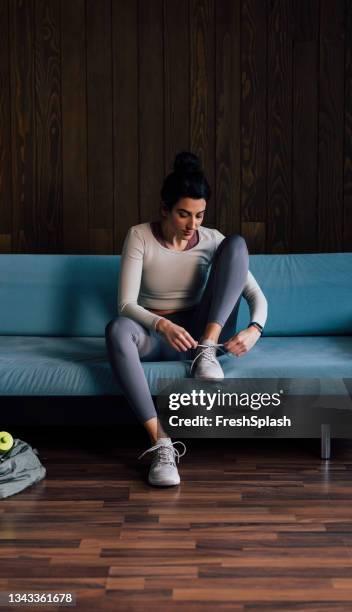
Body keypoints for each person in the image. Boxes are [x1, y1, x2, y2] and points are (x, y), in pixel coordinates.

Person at [105, 151, 268, 487]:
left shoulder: (212, 240)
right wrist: (162, 324)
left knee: (236, 244)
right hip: (157, 336)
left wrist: (254, 329)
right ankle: (162, 443)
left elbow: (256, 297)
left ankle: (206, 352)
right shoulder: (139, 236)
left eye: (200, 215)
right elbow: (125, 304)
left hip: (200, 335)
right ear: (164, 209)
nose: (193, 224)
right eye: (183, 214)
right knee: (117, 330)